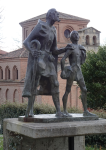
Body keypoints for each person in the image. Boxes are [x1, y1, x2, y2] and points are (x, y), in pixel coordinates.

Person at [22, 8, 66, 118]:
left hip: (49, 60)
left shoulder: (54, 30)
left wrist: (66, 49)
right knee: (35, 83)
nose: (58, 15)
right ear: (51, 15)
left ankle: (58, 111)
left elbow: (54, 49)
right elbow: (26, 42)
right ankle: (30, 110)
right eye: (56, 14)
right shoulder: (40, 26)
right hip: (39, 59)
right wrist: (32, 51)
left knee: (55, 83)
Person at [61, 30, 97, 116]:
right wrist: (63, 71)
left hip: (79, 71)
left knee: (84, 89)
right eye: (74, 34)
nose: (77, 35)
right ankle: (65, 111)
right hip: (72, 70)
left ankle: (85, 111)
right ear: (72, 37)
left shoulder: (81, 47)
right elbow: (63, 59)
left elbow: (82, 61)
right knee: (68, 90)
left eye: (77, 34)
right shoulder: (71, 47)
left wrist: (84, 54)